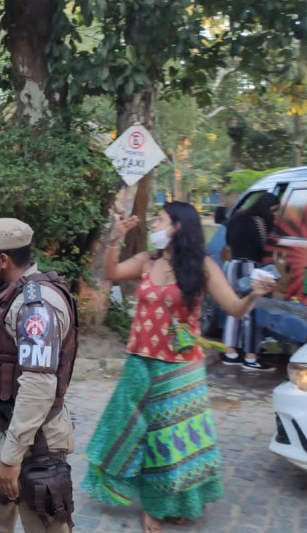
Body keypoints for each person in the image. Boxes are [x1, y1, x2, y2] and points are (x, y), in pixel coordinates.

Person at [82, 202, 276, 533]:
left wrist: (254, 295)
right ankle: (148, 497)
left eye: (160, 220)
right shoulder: (147, 260)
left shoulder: (202, 267)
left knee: (169, 442)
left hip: (179, 368)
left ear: (178, 227)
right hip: (140, 361)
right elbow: (111, 273)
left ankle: (159, 507)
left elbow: (235, 308)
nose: (155, 225)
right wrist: (114, 239)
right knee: (130, 430)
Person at [0, 218, 77, 533]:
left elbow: (38, 387)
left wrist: (11, 458)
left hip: (34, 442)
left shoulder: (35, 307)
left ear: (2, 260)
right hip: (1, 428)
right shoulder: (7, 294)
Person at [220, 192, 280, 371]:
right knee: (251, 311)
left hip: (233, 265)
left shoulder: (237, 218)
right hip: (249, 267)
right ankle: (251, 358)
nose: (275, 214)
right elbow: (261, 246)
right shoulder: (258, 222)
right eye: (273, 210)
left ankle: (230, 353)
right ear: (266, 208)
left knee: (234, 308)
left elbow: (226, 237)